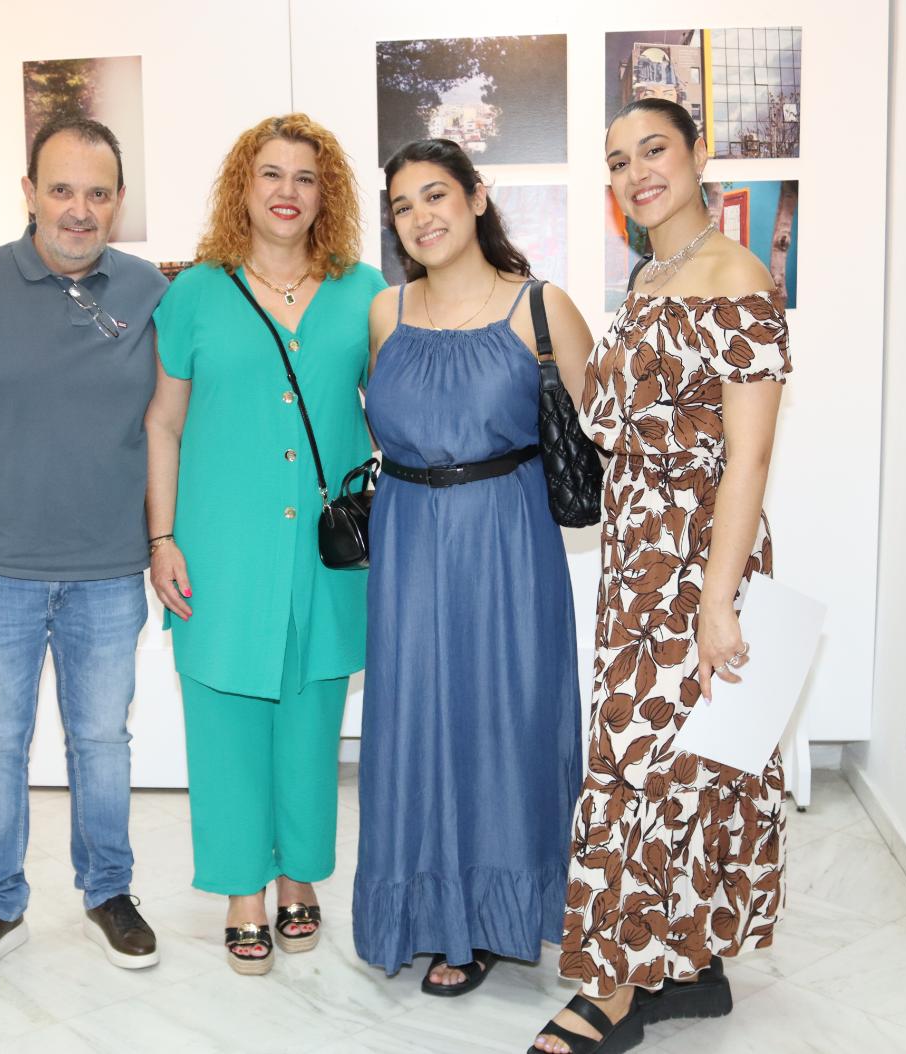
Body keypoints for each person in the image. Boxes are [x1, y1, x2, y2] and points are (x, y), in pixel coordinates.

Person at [529, 97, 792, 1053]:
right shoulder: (649, 276)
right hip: (639, 557)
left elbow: (748, 457)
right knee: (681, 761)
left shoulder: (739, 276)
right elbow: (615, 416)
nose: (636, 172)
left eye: (653, 150)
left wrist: (718, 602)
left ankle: (613, 991)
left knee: (644, 766)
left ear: (698, 155)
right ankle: (689, 965)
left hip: (698, 561)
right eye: (618, 161)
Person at [0, 115, 169, 983]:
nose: (78, 210)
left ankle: (108, 893)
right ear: (27, 193)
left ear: (118, 201)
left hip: (108, 572)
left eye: (97, 193)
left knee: (102, 743)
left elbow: (170, 424)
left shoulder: (149, 291)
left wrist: (165, 539)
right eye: (61, 190)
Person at [145, 113, 385, 975]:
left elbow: (400, 411)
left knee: (312, 719)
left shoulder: (365, 293)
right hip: (220, 546)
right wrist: (161, 536)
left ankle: (299, 877)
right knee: (224, 718)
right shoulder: (195, 294)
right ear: (242, 188)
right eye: (271, 174)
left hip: (325, 552)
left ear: (327, 195)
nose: (288, 192)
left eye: (306, 177)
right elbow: (163, 423)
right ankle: (242, 889)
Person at [355, 138, 590, 995]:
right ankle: (424, 911)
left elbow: (612, 437)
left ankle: (494, 920)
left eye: (436, 195)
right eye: (403, 205)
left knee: (504, 723)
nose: (421, 216)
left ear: (477, 197)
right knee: (415, 724)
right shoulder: (385, 314)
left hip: (508, 546)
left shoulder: (541, 308)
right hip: (409, 545)